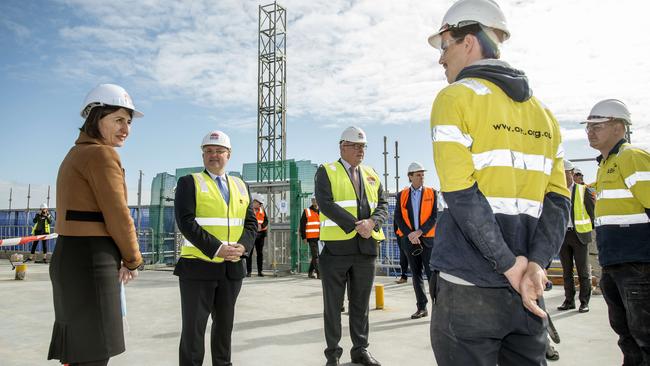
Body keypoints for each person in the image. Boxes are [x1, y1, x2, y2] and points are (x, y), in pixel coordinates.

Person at [426, 1, 571, 365]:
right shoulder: (545, 115)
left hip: (470, 288)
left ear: (469, 41)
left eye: (445, 46)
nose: (441, 59)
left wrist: (511, 266)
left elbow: (461, 194)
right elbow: (557, 201)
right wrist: (535, 266)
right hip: (527, 291)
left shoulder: (455, 98)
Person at [48, 83, 143, 366]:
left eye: (128, 121)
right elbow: (118, 215)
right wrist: (133, 259)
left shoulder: (75, 153)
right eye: (117, 120)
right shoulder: (101, 154)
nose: (125, 128)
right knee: (93, 354)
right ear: (95, 118)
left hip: (72, 257)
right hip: (91, 259)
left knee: (80, 352)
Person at [174, 130, 257, 366]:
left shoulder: (241, 186)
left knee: (224, 329)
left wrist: (243, 246)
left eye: (219, 151)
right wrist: (217, 249)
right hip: (198, 268)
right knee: (193, 330)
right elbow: (186, 222)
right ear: (203, 155)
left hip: (231, 270)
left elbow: (251, 222)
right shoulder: (189, 182)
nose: (214, 155)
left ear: (228, 154)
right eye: (208, 151)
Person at [582, 99, 650, 364]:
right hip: (615, 264)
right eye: (588, 127)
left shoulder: (631, 157)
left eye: (597, 125)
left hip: (638, 264)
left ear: (619, 127)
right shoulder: (605, 164)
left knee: (645, 335)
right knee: (626, 335)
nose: (590, 131)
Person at [315, 126, 388, 366]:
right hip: (336, 250)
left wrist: (372, 222)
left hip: (366, 250)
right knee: (333, 307)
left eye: (363, 146)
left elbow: (384, 205)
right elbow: (326, 204)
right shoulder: (327, 171)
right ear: (342, 146)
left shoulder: (372, 173)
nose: (360, 150)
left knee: (360, 305)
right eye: (355, 146)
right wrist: (357, 225)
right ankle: (333, 354)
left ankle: (360, 350)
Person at [393, 162, 437, 319]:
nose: (422, 176)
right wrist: (410, 234)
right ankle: (422, 307)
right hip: (410, 240)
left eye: (423, 174)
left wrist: (419, 232)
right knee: (416, 273)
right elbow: (398, 217)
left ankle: (438, 309)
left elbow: (434, 217)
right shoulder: (402, 194)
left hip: (427, 240)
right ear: (410, 177)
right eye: (418, 174)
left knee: (432, 275)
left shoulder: (432, 192)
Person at [557, 159, 595, 313]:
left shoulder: (583, 190)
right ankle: (569, 300)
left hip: (579, 235)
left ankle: (584, 302)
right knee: (567, 271)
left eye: (565, 173)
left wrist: (587, 230)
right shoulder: (557, 191)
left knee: (583, 271)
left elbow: (592, 213)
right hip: (562, 236)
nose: (562, 176)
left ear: (571, 173)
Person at [247, 194, 268, 277]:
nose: (260, 205)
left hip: (261, 234)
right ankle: (248, 272)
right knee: (249, 253)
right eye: (259, 203)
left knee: (260, 253)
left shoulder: (262, 210)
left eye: (261, 204)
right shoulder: (249, 210)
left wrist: (262, 226)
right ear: (254, 201)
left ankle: (260, 271)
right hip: (252, 234)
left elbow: (266, 221)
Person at [299, 195, 320, 279]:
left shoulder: (322, 211)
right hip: (311, 237)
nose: (314, 201)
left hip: (321, 237)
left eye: (316, 199)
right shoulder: (307, 211)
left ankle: (310, 272)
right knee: (315, 255)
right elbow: (302, 225)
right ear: (311, 201)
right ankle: (319, 273)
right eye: (313, 200)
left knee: (317, 255)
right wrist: (304, 237)